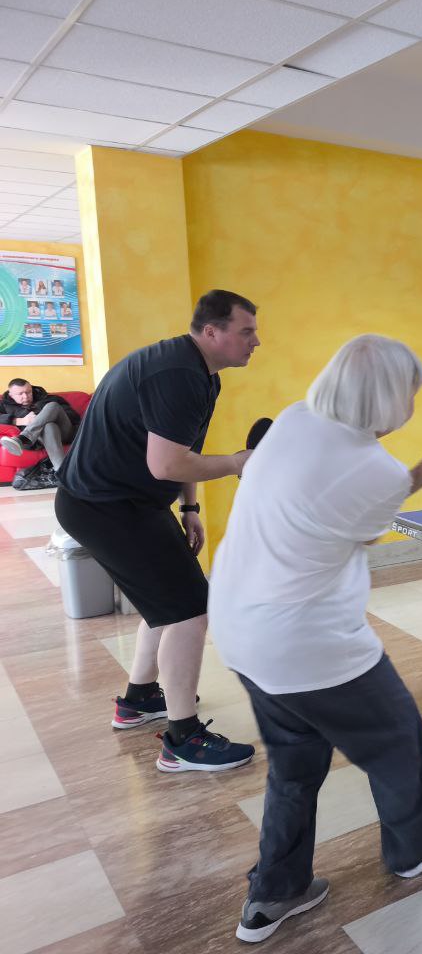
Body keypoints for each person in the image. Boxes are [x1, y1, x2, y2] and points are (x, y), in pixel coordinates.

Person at [209, 334, 422, 943]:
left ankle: (274, 891)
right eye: (411, 391)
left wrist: (407, 476)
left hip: (240, 628)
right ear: (389, 398)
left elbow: (337, 507)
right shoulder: (375, 470)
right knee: (397, 739)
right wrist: (411, 478)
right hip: (306, 640)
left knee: (294, 764)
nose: (413, 401)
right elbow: (368, 530)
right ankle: (415, 845)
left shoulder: (293, 420)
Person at [54, 289, 260, 771]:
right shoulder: (178, 375)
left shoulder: (200, 373)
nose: (256, 341)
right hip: (105, 507)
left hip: (127, 503)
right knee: (190, 610)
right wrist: (238, 463)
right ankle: (183, 741)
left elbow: (183, 450)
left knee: (167, 602)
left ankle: (140, 699)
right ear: (212, 332)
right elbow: (165, 463)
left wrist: (190, 507)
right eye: (247, 331)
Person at [1, 379, 81, 471]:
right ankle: (61, 471)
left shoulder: (50, 398)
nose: (25, 396)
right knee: (49, 426)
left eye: (28, 392)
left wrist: (45, 416)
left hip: (65, 432)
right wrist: (20, 421)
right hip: (39, 438)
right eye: (20, 394)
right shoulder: (5, 405)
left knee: (53, 405)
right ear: (11, 395)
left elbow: (74, 416)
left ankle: (23, 438)